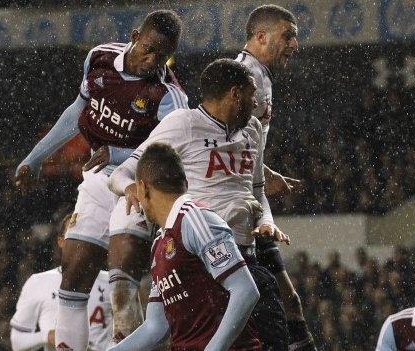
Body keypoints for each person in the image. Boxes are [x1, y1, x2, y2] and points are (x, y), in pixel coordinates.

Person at [14, 10, 187, 350]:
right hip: (95, 182)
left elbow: (173, 149)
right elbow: (78, 111)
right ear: (135, 35)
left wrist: (119, 154)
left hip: (139, 187)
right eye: (148, 49)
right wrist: (33, 159)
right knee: (73, 276)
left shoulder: (167, 95)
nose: (151, 61)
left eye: (161, 56)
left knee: (121, 279)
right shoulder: (99, 57)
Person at [108, 58, 290, 350]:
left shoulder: (252, 130)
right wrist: (130, 188)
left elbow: (257, 191)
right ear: (235, 93)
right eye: (251, 93)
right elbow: (121, 173)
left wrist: (266, 220)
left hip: (242, 256)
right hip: (196, 255)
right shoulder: (184, 124)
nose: (256, 102)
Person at [110, 142, 261, 350]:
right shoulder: (159, 245)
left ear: (143, 188)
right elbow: (156, 327)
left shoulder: (195, 219)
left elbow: (245, 290)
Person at [236, 5, 316, 350]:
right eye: (288, 35)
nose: (295, 43)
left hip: (253, 203)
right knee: (266, 314)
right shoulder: (243, 80)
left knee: (289, 303)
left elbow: (239, 149)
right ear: (261, 36)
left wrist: (264, 172)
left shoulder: (259, 77)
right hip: (234, 212)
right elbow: (218, 147)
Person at [10, 214, 112, 351]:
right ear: (61, 241)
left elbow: (129, 331)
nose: (79, 240)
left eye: (85, 233)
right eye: (74, 233)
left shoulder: (111, 282)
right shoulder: (38, 282)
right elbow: (17, 341)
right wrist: (46, 336)